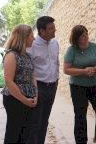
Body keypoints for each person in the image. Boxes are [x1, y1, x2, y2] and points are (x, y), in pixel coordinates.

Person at [63, 25, 96, 144]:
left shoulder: (94, 46)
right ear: (76, 38)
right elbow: (66, 70)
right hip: (78, 87)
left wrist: (94, 69)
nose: (86, 37)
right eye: (82, 35)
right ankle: (81, 141)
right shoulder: (71, 50)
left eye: (86, 34)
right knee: (80, 114)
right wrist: (83, 71)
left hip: (95, 84)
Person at [1, 24, 37, 144]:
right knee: (13, 133)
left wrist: (35, 96)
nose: (34, 38)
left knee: (26, 134)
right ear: (23, 37)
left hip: (29, 99)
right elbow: (9, 81)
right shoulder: (11, 55)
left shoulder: (27, 55)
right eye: (31, 36)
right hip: (14, 99)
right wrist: (23, 99)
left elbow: (33, 77)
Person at [27, 16, 59, 144]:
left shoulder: (55, 43)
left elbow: (56, 62)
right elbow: (28, 68)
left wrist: (57, 80)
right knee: (35, 121)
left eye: (54, 27)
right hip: (37, 86)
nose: (54, 30)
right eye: (51, 28)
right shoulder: (32, 45)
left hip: (52, 86)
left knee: (45, 120)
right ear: (42, 31)